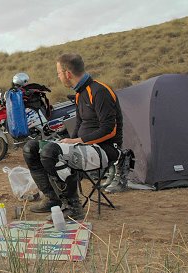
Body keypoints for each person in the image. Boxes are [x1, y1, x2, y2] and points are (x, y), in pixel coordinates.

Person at [22, 53, 123, 220]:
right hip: (85, 147)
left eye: (59, 73)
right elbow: (79, 125)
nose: (59, 77)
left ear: (68, 73)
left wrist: (76, 141)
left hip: (106, 150)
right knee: (31, 148)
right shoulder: (80, 93)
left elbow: (109, 130)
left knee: (51, 153)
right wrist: (67, 142)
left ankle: (73, 206)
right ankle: (52, 199)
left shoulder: (99, 91)